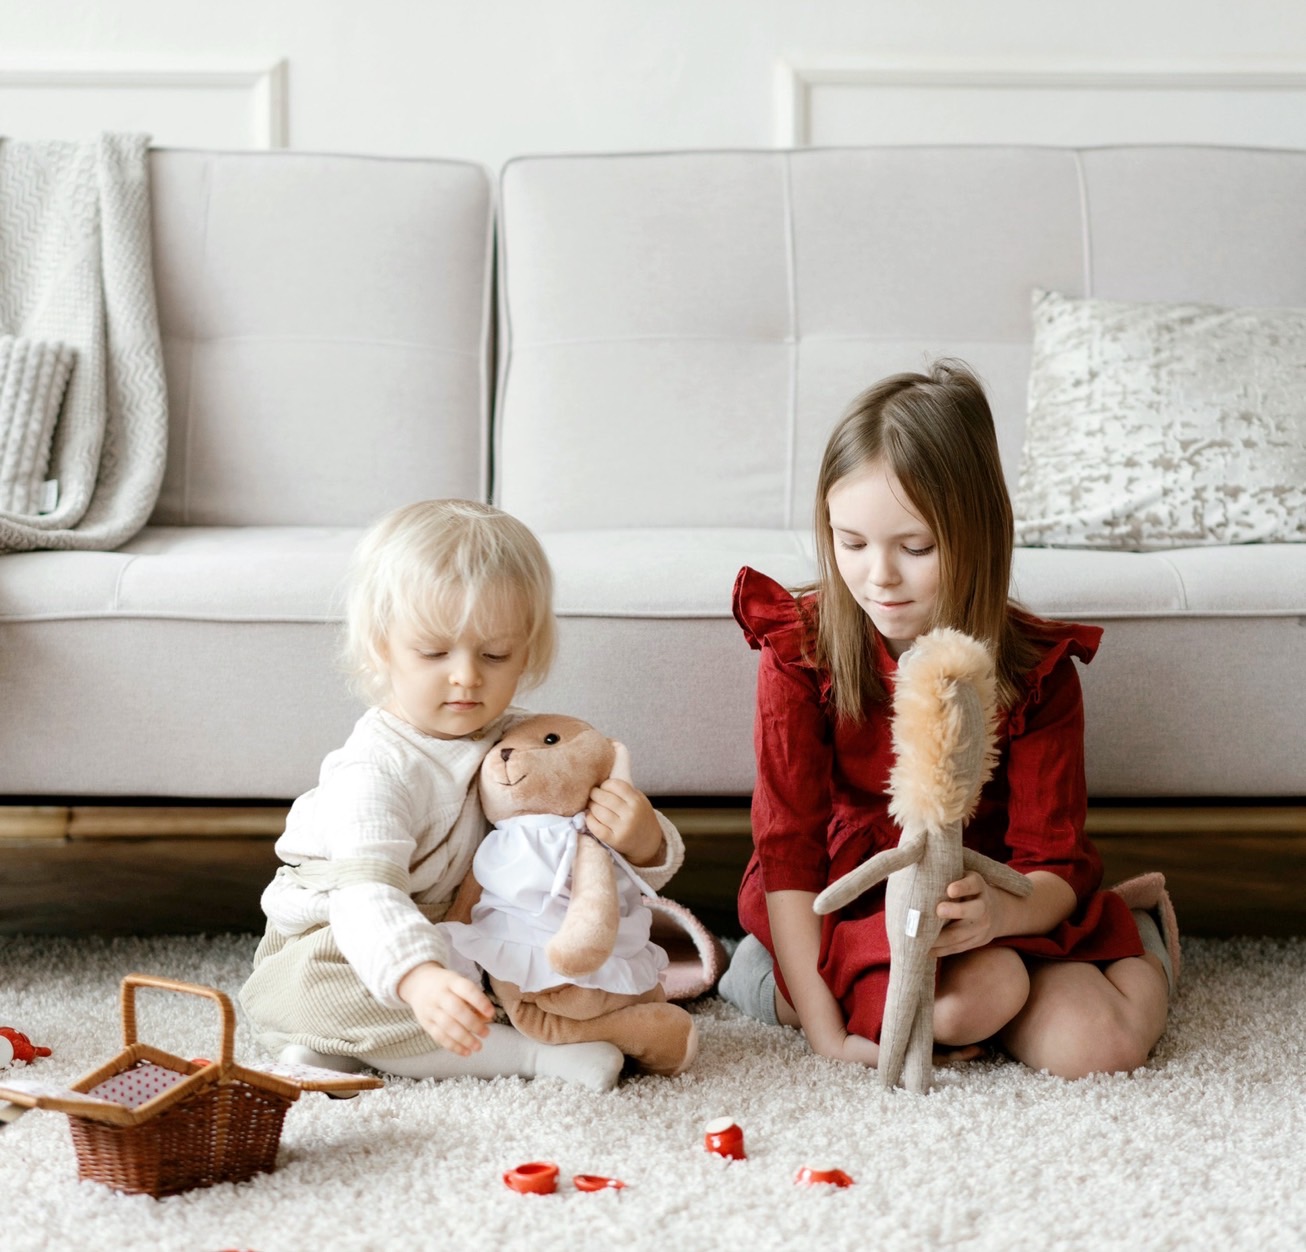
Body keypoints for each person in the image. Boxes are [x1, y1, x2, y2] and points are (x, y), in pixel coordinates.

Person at [718, 360, 1176, 1080]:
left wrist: (1001, 916)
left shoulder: (1036, 672)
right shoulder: (800, 652)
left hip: (1000, 894)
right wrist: (820, 1026)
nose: (879, 577)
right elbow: (788, 853)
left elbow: (1049, 861)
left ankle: (1139, 933)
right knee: (970, 1005)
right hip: (855, 898)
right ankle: (778, 974)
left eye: (916, 547)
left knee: (1100, 1049)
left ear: (977, 535)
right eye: (852, 542)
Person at [240, 499, 684, 1092]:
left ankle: (352, 1050)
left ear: (526, 651)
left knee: (559, 971)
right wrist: (418, 978)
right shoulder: (373, 768)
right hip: (353, 934)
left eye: (495, 654)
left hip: (470, 932)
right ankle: (531, 1057)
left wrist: (645, 837)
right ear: (381, 646)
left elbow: (602, 851)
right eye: (434, 652)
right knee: (326, 992)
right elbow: (365, 898)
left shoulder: (523, 740)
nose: (467, 676)